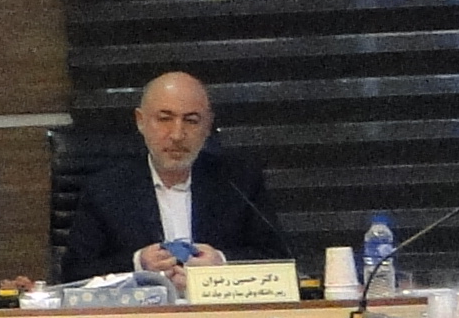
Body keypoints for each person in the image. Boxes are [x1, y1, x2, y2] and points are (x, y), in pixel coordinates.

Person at [61, 69, 292, 277]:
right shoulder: (106, 189)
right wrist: (137, 263)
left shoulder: (239, 181)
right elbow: (74, 273)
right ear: (141, 121)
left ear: (208, 126)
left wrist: (222, 263)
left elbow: (280, 259)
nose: (177, 134)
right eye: (165, 119)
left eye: (191, 121)